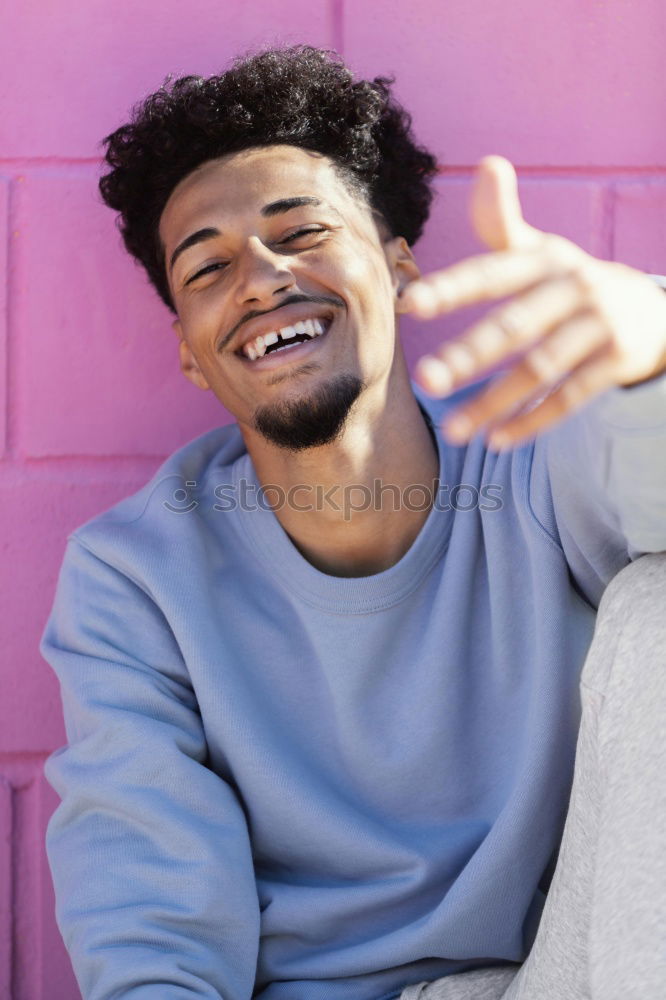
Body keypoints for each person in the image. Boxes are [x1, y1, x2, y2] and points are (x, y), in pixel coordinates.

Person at [40, 43, 666, 1000]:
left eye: (300, 233)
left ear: (399, 261)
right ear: (190, 353)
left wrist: (652, 350)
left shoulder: (540, 454)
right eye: (205, 267)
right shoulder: (136, 576)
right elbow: (148, 921)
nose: (257, 277)